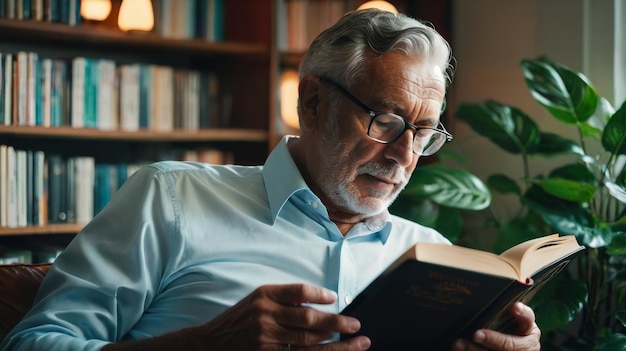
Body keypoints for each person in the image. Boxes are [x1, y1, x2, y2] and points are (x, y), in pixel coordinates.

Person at [1, 9, 541, 351]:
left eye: (422, 132)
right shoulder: (170, 199)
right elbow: (35, 342)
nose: (404, 154)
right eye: (385, 121)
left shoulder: (432, 255)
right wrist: (203, 346)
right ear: (311, 104)